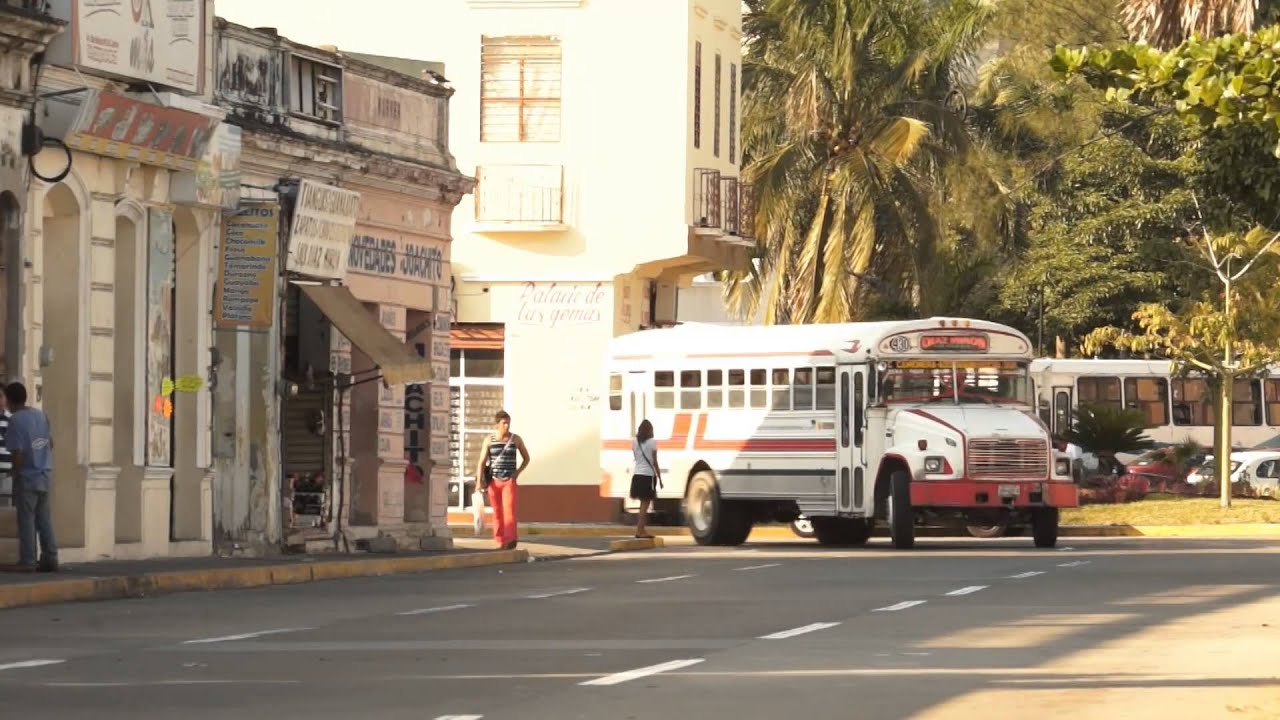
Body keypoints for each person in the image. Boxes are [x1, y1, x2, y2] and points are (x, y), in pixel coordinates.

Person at [5, 382, 57, 572]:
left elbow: (17, 452)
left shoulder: (16, 420)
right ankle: (50, 556)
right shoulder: (41, 415)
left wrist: (17, 473)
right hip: (45, 473)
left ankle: (28, 560)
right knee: (44, 518)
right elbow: (50, 443)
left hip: (27, 476)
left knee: (26, 519)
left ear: (10, 400)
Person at [475, 411, 529, 550]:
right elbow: (481, 462)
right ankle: (500, 540)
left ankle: (510, 540)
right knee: (497, 512)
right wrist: (478, 483)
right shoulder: (489, 440)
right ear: (497, 425)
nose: (507, 426)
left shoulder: (515, 439)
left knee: (509, 511)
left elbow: (526, 458)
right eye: (504, 423)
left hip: (508, 481)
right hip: (493, 481)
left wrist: (517, 473)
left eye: (508, 423)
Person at [631, 419, 662, 538]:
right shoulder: (652, 442)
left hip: (637, 475)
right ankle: (640, 530)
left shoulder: (634, 442)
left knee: (642, 504)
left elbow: (636, 457)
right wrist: (659, 476)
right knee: (645, 504)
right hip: (647, 476)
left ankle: (641, 529)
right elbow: (655, 461)